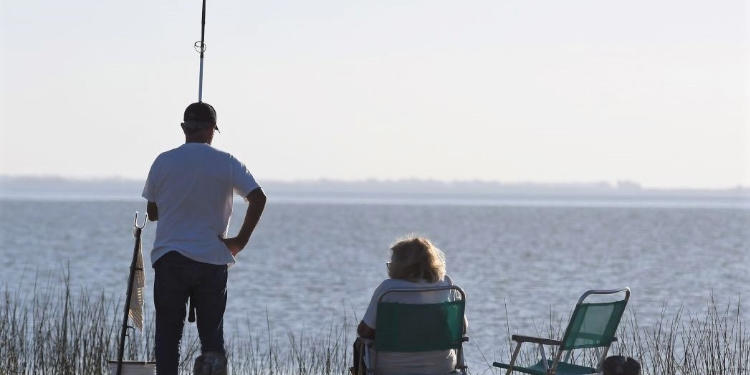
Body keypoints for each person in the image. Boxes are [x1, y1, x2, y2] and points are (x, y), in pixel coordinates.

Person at [142, 102, 266, 375]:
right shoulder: (228, 162)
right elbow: (258, 198)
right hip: (212, 260)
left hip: (170, 258)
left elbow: (152, 212)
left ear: (184, 128)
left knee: (167, 338)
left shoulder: (163, 161)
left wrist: (177, 202)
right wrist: (239, 241)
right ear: (212, 130)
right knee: (211, 341)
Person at [354, 237, 467, 375]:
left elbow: (365, 331)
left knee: (360, 344)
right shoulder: (446, 285)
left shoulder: (389, 289)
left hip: (391, 369)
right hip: (442, 367)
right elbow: (460, 328)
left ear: (400, 264)